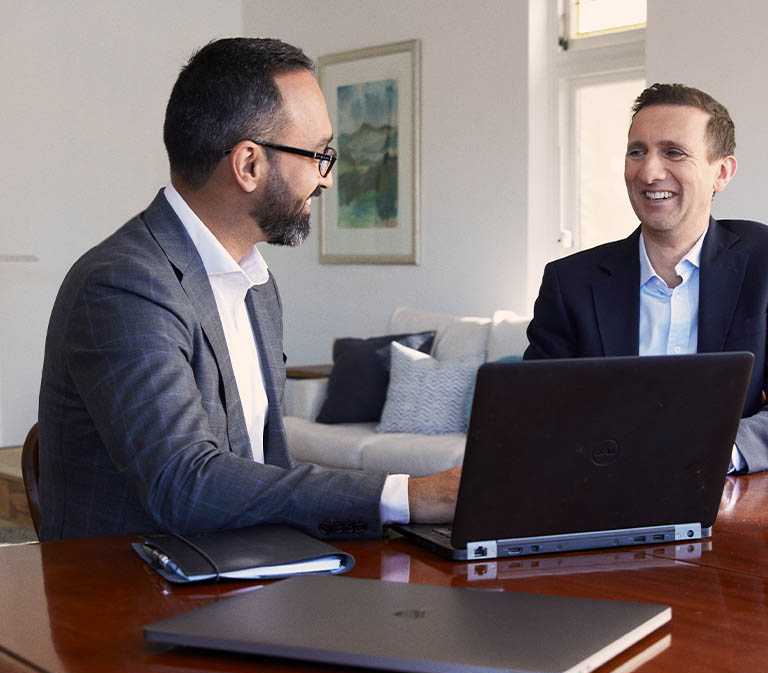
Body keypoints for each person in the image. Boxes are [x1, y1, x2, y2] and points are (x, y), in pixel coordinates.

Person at [37, 37, 459, 540]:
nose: (325, 180)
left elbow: (262, 467)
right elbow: (183, 482)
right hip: (134, 598)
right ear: (249, 165)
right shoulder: (126, 284)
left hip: (249, 576)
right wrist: (407, 496)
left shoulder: (256, 284)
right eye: (320, 154)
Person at [525, 82, 768, 474]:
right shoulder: (569, 282)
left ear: (721, 172)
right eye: (637, 152)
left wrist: (724, 450)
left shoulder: (762, 261)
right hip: (601, 495)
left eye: (673, 152)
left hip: (726, 502)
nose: (649, 172)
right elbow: (534, 412)